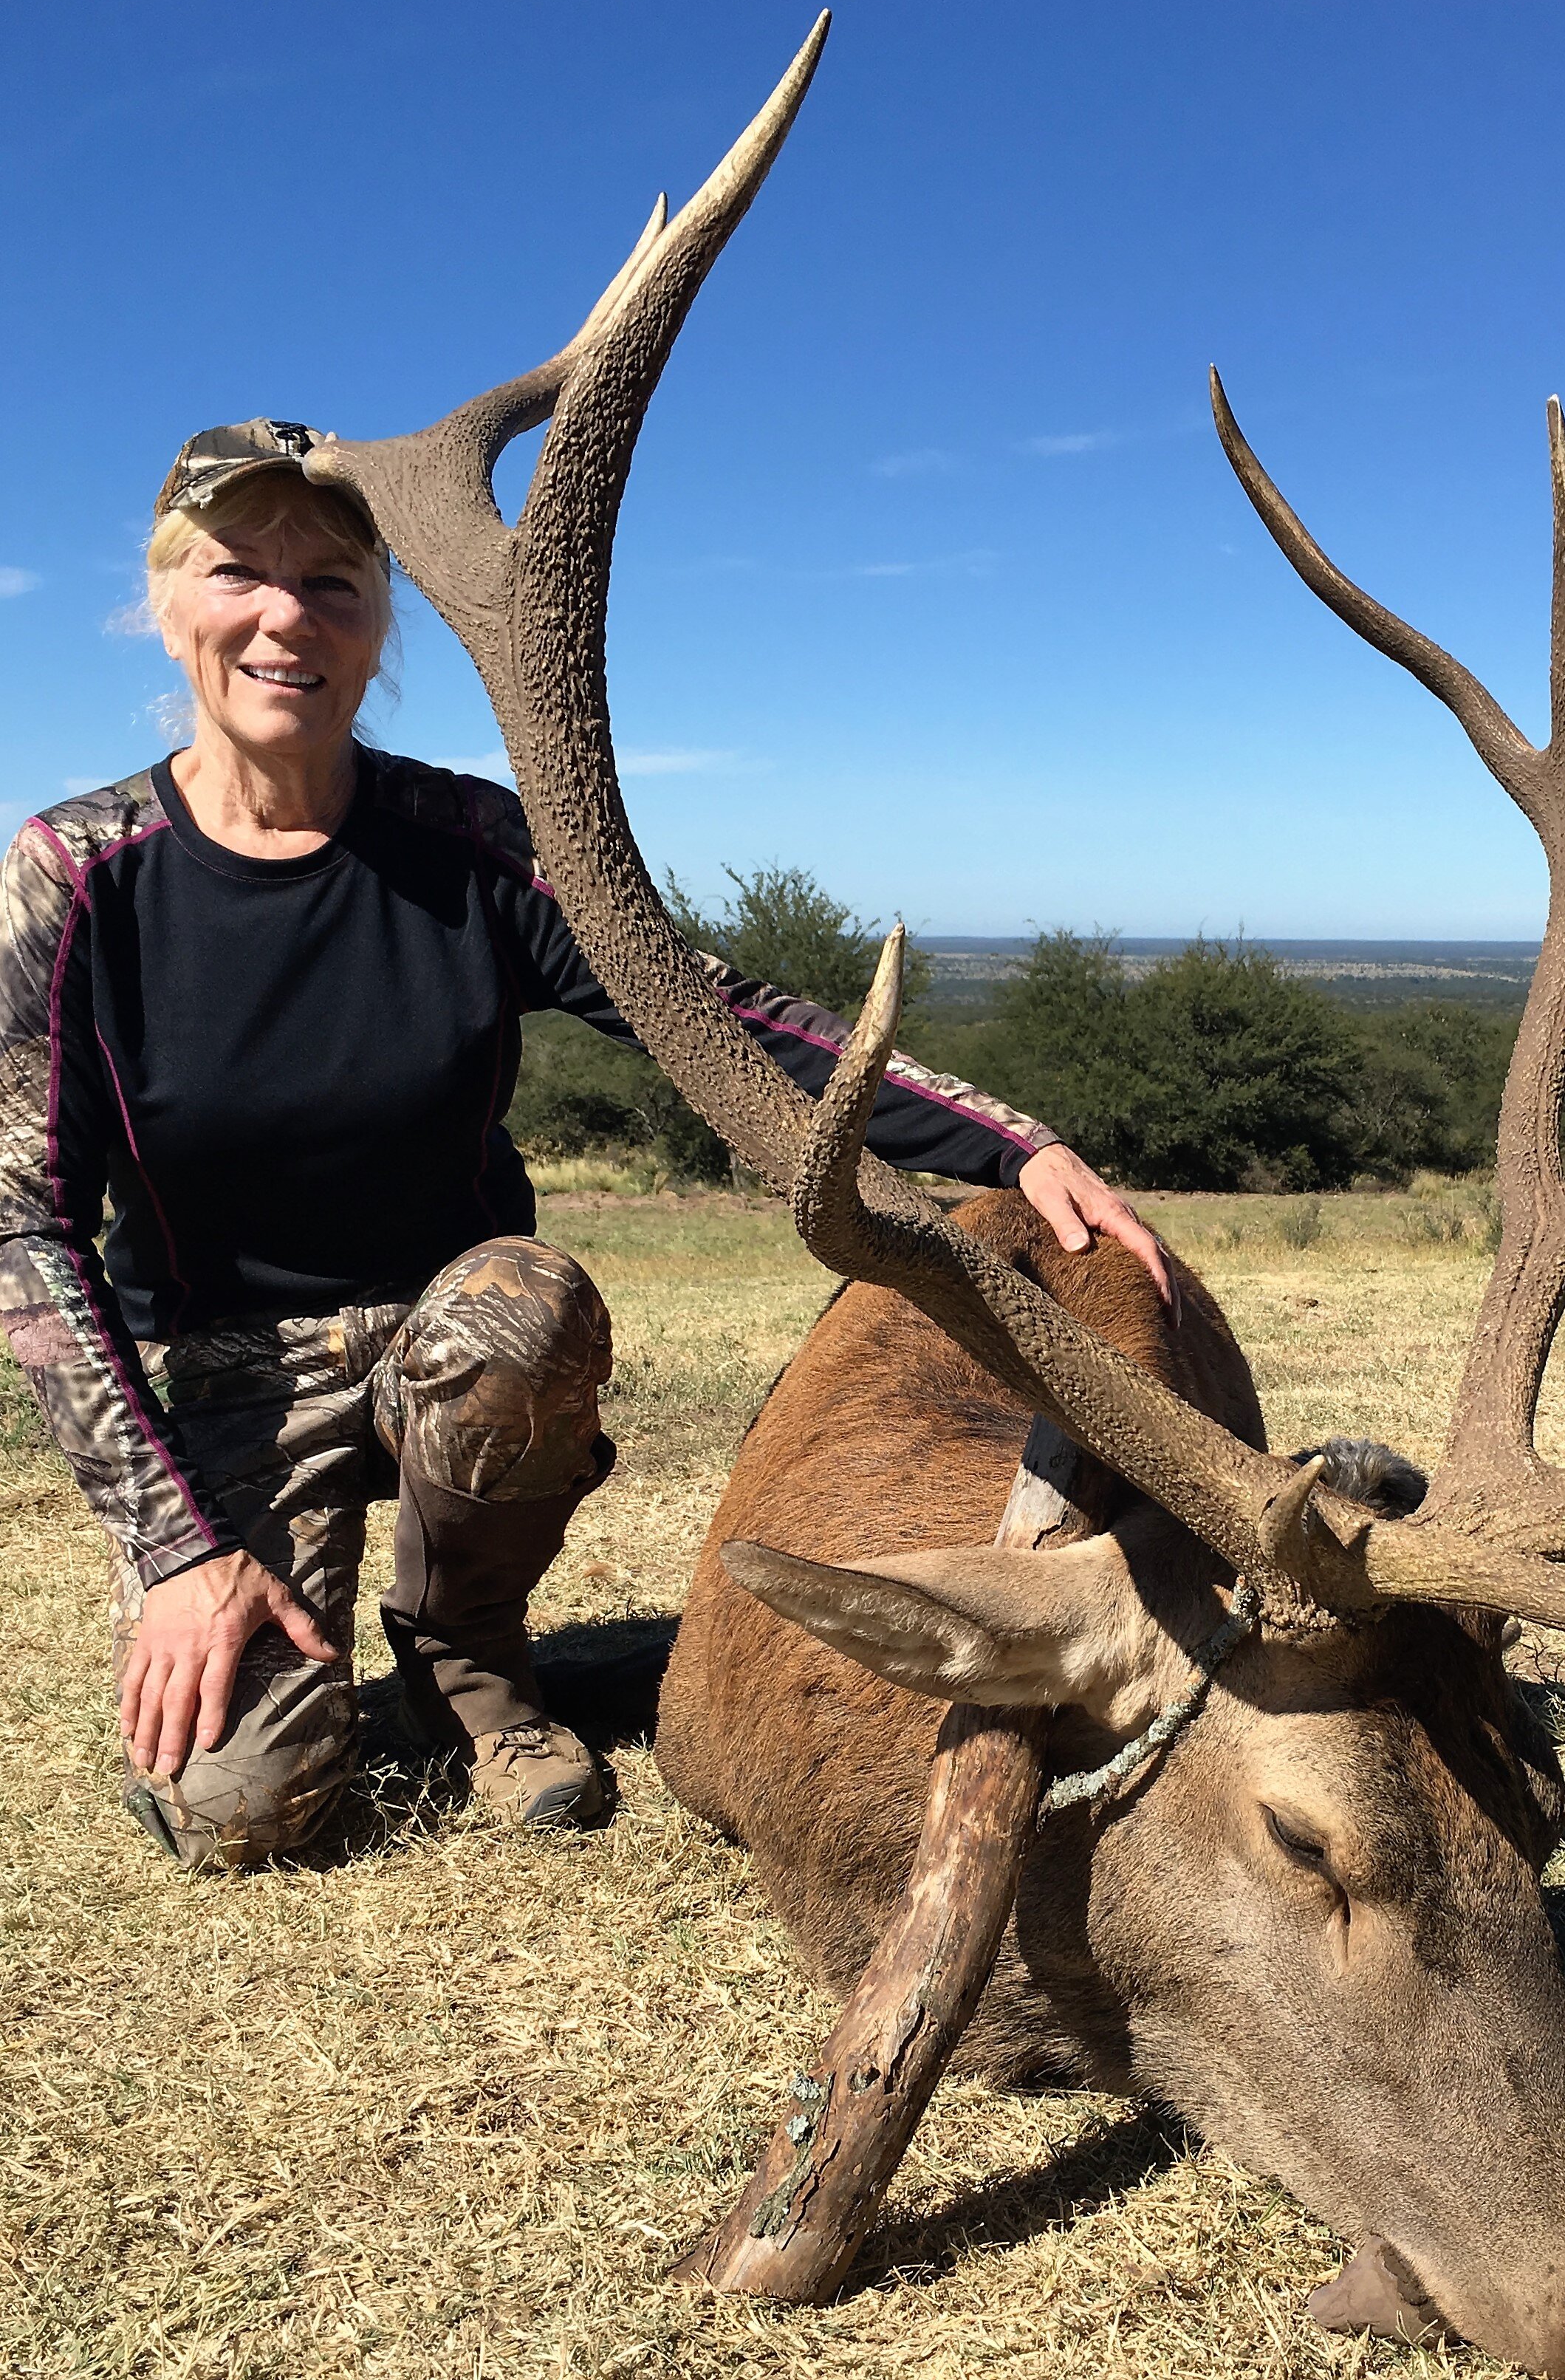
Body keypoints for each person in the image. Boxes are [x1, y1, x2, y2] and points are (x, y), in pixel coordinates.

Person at [0, 419, 1169, 1874]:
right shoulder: (71, 878)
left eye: (335, 585)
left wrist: (1007, 1143)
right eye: (242, 572)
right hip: (233, 1365)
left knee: (522, 1301)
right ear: (168, 603)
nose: (286, 616)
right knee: (245, 1817)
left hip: (464, 1339)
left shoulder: (472, 840)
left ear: (378, 634)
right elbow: (27, 1234)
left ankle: (465, 1650)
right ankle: (286, 1669)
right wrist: (177, 1552)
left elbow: (708, 1013)